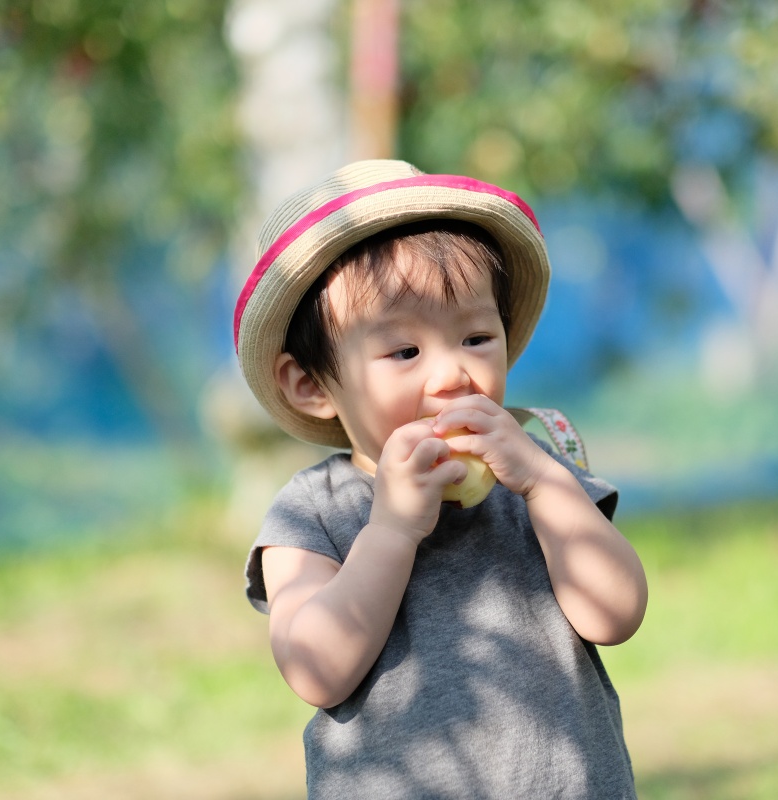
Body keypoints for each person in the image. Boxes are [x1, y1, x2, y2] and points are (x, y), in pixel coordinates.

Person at [234, 159, 649, 798]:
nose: (454, 374)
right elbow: (317, 669)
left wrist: (544, 484)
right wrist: (392, 529)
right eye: (405, 352)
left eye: (478, 337)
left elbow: (616, 615)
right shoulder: (312, 512)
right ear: (312, 384)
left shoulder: (535, 477)